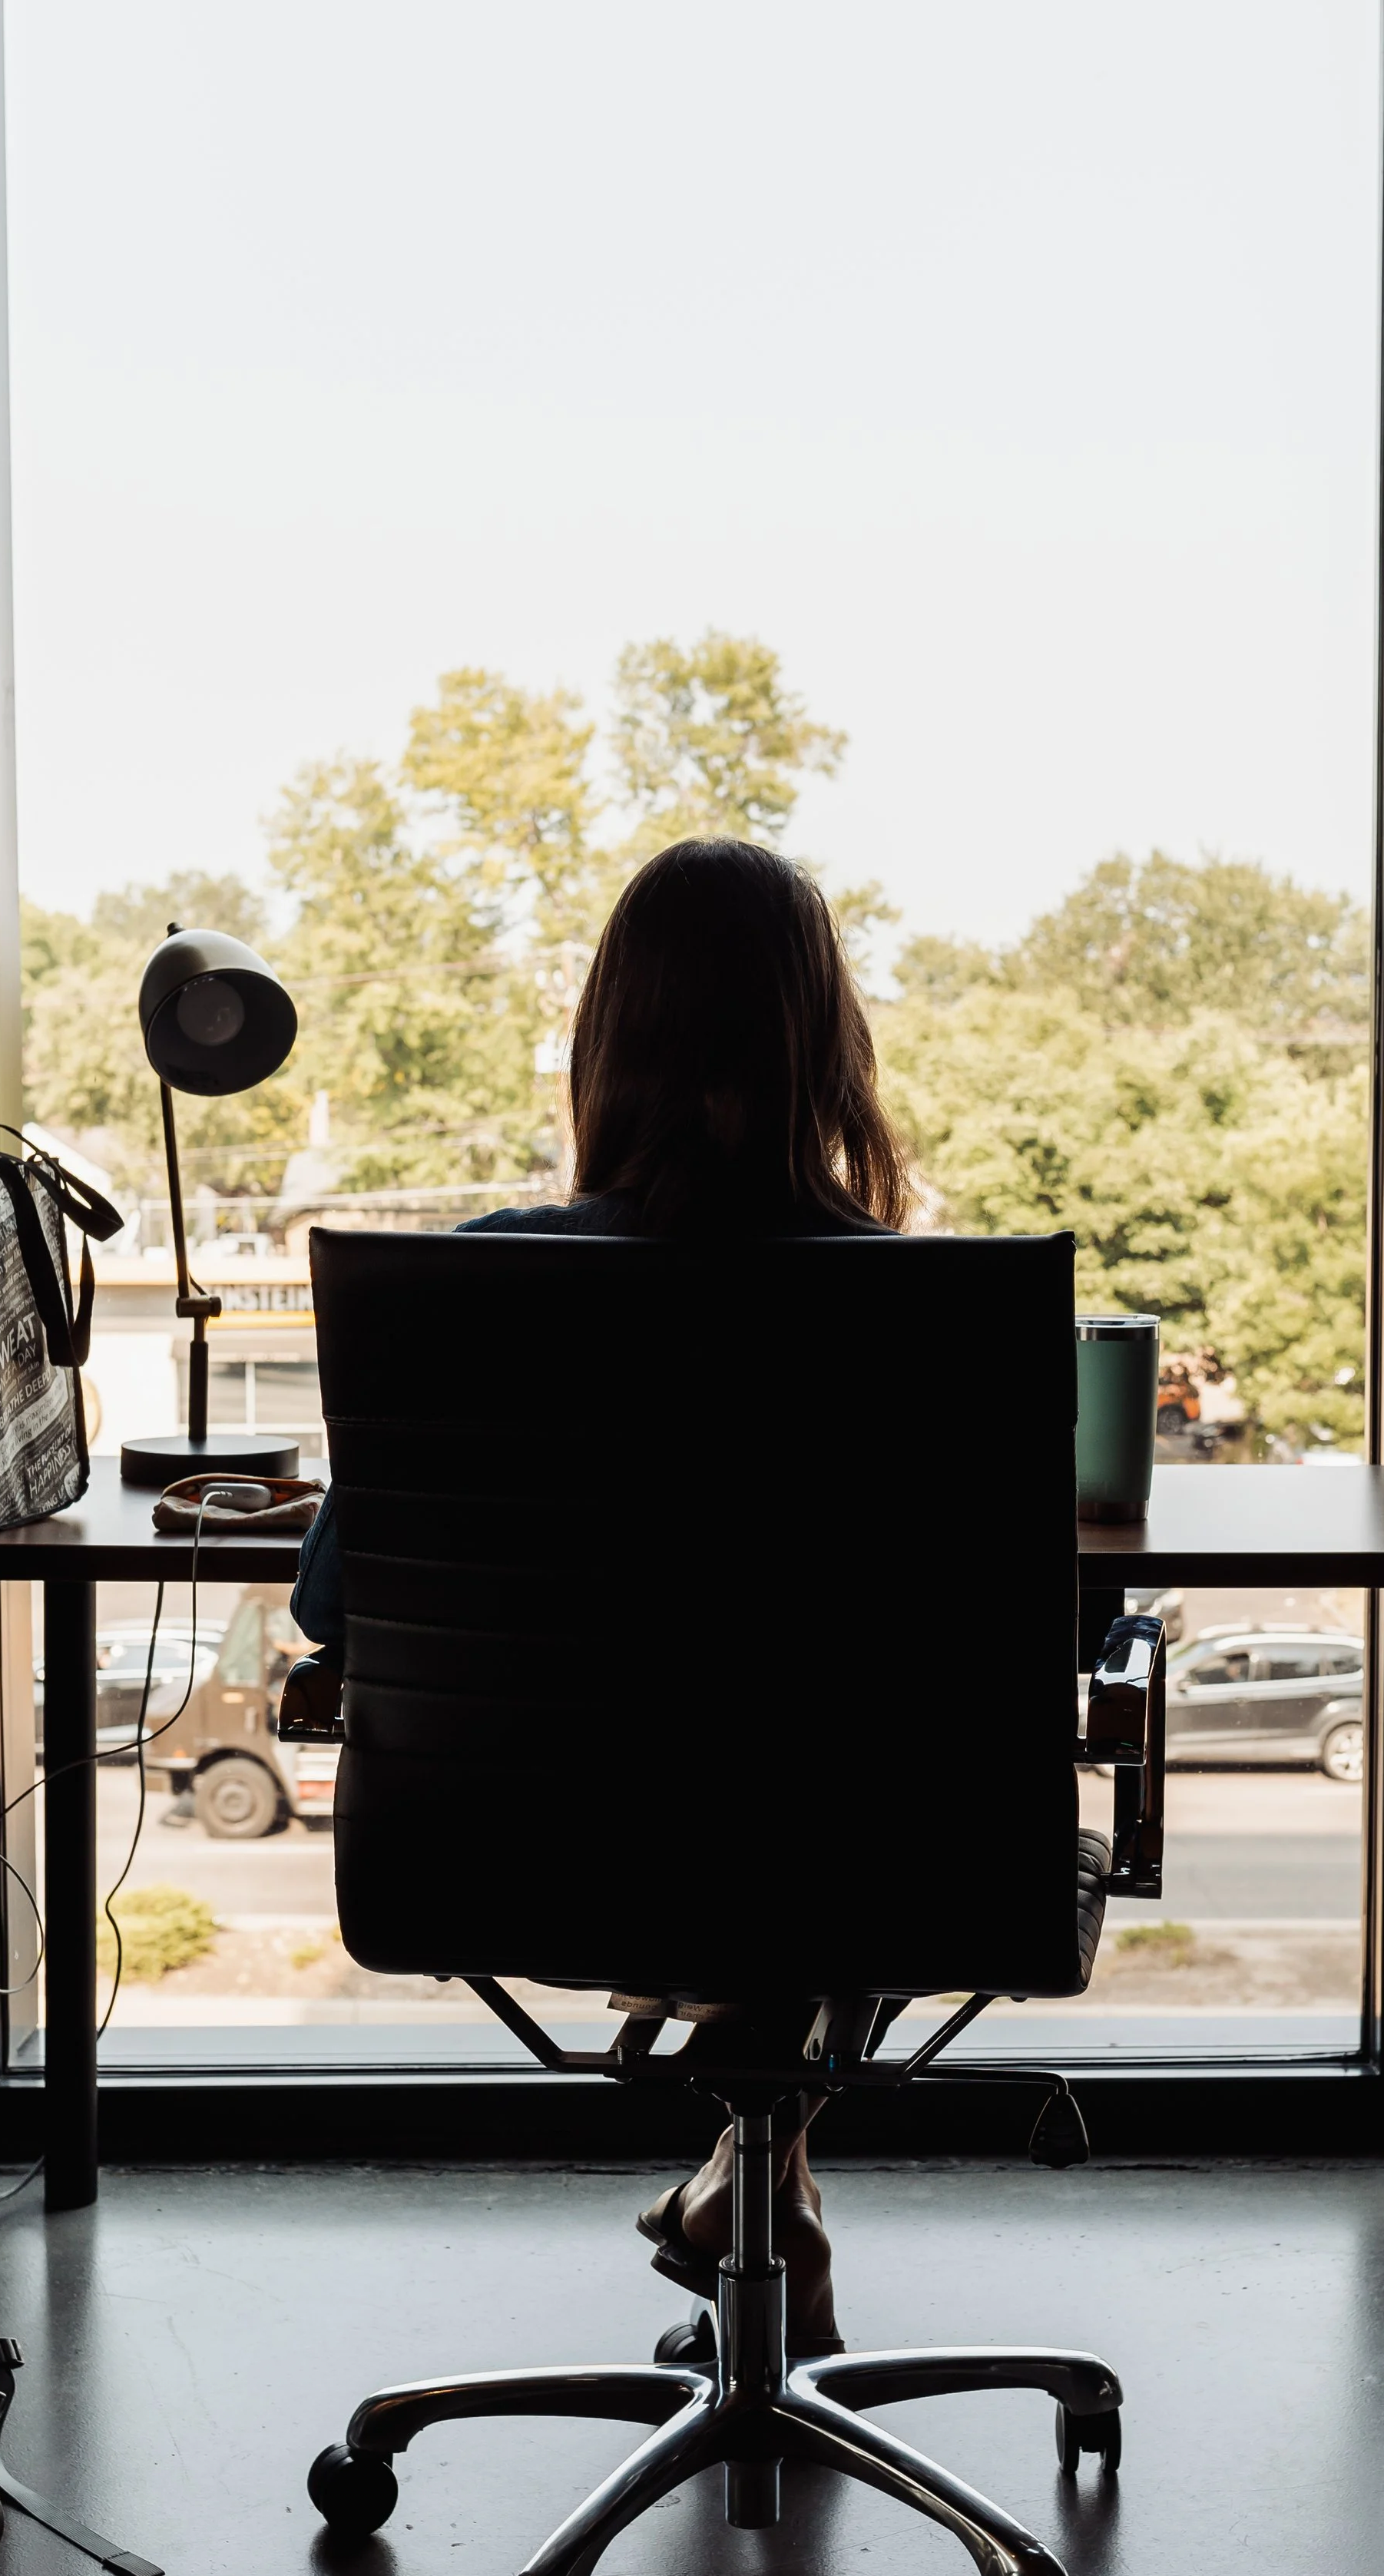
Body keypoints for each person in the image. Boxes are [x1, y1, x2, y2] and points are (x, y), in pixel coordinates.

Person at [292, 836, 914, 2355]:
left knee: (758, 1830)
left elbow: (333, 1613)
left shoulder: (480, 1288)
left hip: (521, 1855)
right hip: (857, 1869)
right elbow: (1041, 1642)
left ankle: (755, 2193)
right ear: (828, 1055)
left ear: (603, 1046)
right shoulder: (914, 1310)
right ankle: (763, 2184)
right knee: (852, 1813)